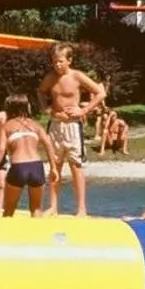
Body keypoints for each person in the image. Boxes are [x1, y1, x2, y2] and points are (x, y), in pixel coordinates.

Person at [37, 42, 105, 216]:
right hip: (56, 125)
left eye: (60, 61)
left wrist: (83, 110)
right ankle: (53, 206)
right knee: (55, 165)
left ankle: (81, 208)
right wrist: (47, 109)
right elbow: (40, 92)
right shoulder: (50, 78)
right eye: (54, 61)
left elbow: (100, 93)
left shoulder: (77, 76)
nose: (57, 65)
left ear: (69, 60)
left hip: (73, 126)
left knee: (76, 165)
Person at [0, 94, 55, 217]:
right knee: (36, 209)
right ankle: (36, 235)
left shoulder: (6, 126)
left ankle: (6, 235)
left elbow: (0, 150)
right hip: (36, 166)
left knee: (9, 210)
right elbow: (48, 144)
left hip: (19, 167)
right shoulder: (35, 125)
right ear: (27, 107)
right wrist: (53, 168)